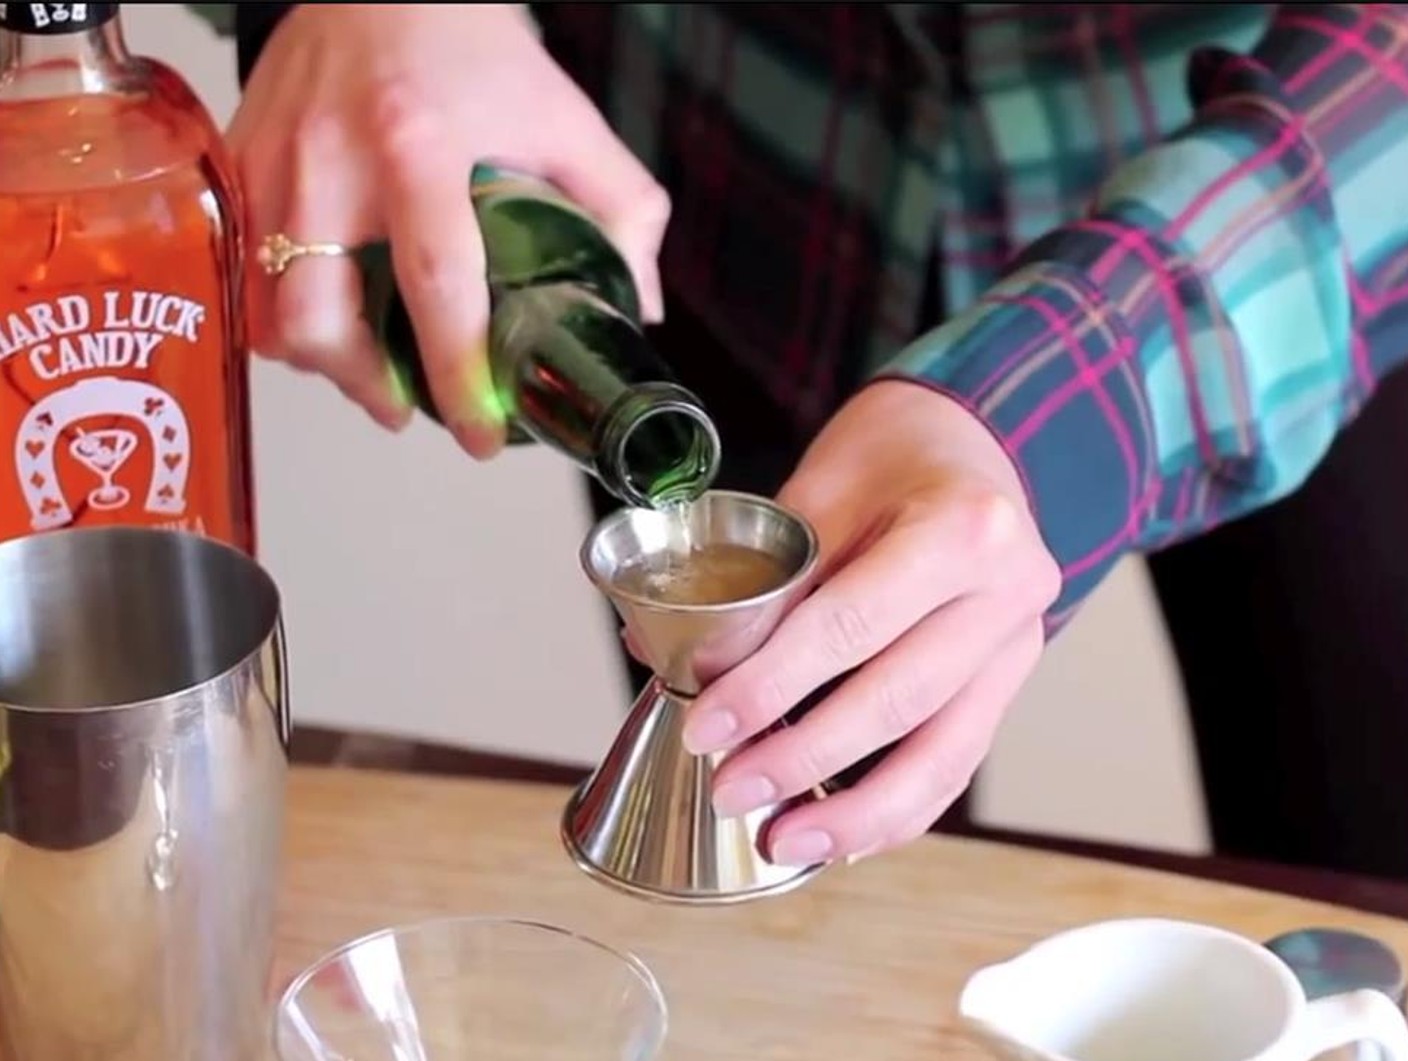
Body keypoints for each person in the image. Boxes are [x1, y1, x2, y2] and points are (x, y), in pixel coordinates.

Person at [199, 3, 1408, 872]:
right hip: (741, 190)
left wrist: (1045, 417)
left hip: (1305, 218)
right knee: (808, 893)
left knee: (1364, 906)